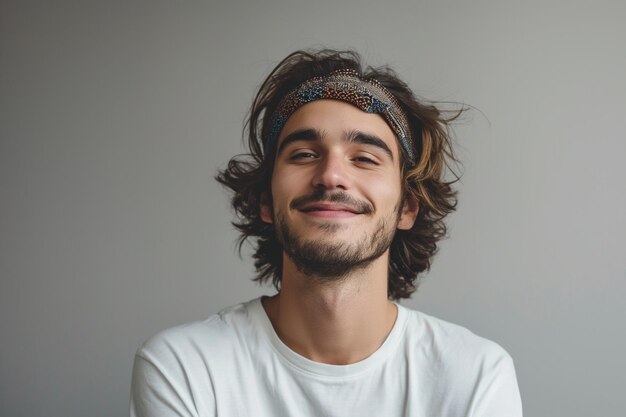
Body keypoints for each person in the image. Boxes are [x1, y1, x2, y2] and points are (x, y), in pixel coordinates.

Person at [130, 49, 523, 417]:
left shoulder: (475, 377)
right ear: (266, 200)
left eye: (365, 158)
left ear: (407, 207)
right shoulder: (184, 368)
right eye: (304, 154)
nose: (331, 175)